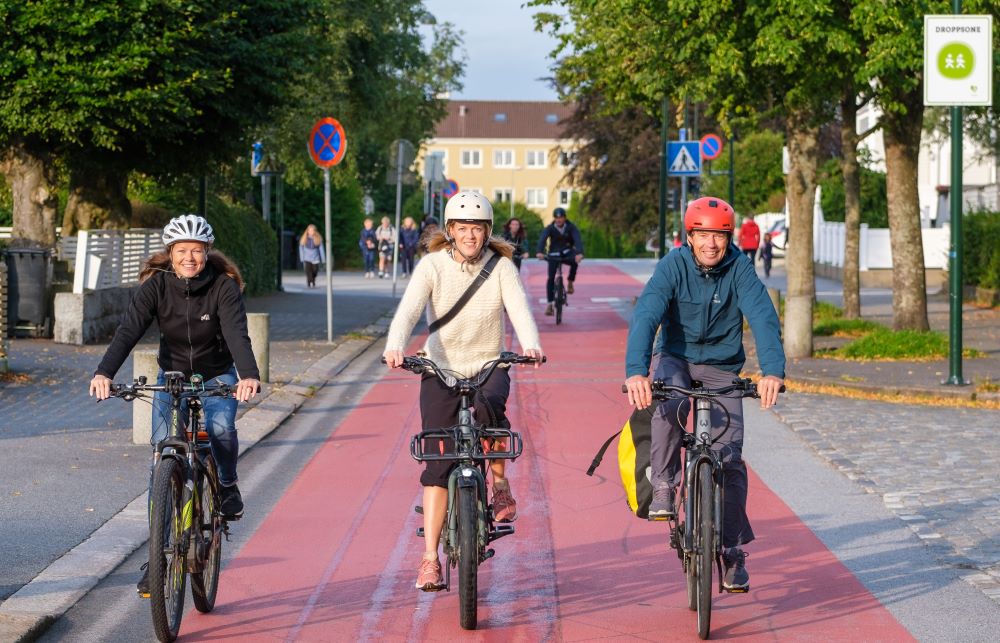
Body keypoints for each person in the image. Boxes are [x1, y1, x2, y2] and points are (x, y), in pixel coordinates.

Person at [88, 214, 262, 596]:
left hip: (217, 375)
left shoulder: (223, 287)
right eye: (182, 251)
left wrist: (248, 374)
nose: (189, 258)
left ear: (206, 253)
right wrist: (104, 372)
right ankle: (159, 554)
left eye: (196, 251)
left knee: (219, 430)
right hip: (173, 376)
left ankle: (228, 485)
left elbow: (236, 333)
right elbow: (129, 329)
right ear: (169, 255)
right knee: (163, 454)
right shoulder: (156, 287)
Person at [382, 190, 543, 592]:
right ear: (450, 231)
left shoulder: (502, 266)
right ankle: (429, 561)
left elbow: (520, 308)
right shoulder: (432, 266)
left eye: (478, 229)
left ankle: (501, 486)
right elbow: (409, 309)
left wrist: (531, 344)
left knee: (490, 411)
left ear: (488, 232)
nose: (470, 236)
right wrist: (395, 344)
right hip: (439, 368)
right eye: (463, 228)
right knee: (438, 463)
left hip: (489, 363)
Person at [623, 197, 784, 593]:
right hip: (676, 357)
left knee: (729, 457)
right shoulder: (673, 265)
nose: (712, 244)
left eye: (719, 236)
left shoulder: (738, 269)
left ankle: (731, 549)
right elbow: (647, 313)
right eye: (704, 235)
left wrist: (772, 372)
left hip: (721, 367)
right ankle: (663, 483)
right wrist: (636, 372)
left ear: (729, 239)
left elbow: (762, 315)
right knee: (670, 403)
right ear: (690, 236)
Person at [535, 207, 584, 315]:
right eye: (556, 218)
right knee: (551, 278)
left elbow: (578, 240)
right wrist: (539, 251)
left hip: (567, 252)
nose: (558, 220)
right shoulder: (550, 228)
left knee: (575, 260)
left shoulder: (571, 227)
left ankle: (570, 281)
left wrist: (579, 253)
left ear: (565, 218)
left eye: (561, 218)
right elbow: (543, 239)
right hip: (554, 254)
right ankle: (549, 304)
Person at [298, 224, 325, 288]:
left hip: (315, 258)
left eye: (312, 231)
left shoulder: (318, 239)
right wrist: (302, 258)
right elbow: (301, 248)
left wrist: (323, 259)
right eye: (309, 230)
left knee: (315, 270)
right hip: (307, 258)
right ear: (307, 231)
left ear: (315, 231)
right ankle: (309, 282)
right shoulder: (304, 238)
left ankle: (313, 280)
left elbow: (321, 249)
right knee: (308, 271)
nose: (311, 232)